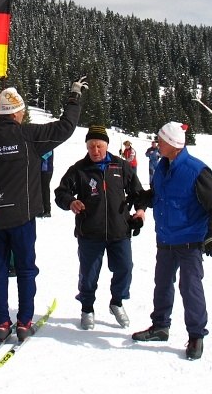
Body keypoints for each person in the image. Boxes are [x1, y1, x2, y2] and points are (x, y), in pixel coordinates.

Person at [0, 78, 87, 342]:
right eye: (21, 110)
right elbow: (65, 128)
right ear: (17, 112)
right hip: (22, 215)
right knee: (25, 269)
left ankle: (1, 323)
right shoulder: (28, 135)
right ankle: (24, 322)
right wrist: (74, 97)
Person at [132, 122, 212, 361]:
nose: (157, 143)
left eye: (161, 140)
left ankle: (196, 336)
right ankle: (160, 326)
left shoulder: (196, 170)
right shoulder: (162, 167)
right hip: (165, 239)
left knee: (190, 287)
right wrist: (141, 201)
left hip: (190, 241)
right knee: (162, 284)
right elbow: (159, 195)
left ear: (173, 144)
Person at [54, 124, 147, 331]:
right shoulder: (79, 169)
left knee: (125, 268)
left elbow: (138, 193)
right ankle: (87, 308)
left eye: (99, 146)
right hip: (90, 232)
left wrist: (140, 211)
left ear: (106, 145)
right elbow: (60, 192)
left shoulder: (120, 166)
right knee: (88, 274)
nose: (95, 151)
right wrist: (70, 202)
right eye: (91, 147)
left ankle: (117, 302)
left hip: (119, 230)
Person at [39, 150, 54, 218]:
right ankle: (42, 209)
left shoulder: (48, 146)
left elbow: (47, 155)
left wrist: (37, 157)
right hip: (43, 170)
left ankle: (47, 210)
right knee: (41, 190)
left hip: (47, 170)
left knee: (45, 190)